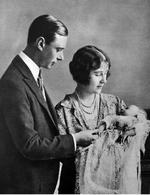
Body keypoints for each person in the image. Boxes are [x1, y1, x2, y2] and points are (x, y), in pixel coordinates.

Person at [0, 15, 99, 194]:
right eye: (58, 49)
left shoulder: (30, 75)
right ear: (40, 43)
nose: (61, 57)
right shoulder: (13, 82)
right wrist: (74, 141)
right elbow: (29, 145)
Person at [55, 45, 150, 194]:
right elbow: (60, 156)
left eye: (106, 74)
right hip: (75, 188)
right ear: (82, 73)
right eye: (98, 74)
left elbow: (138, 126)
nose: (104, 80)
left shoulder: (114, 103)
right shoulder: (64, 110)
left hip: (113, 186)